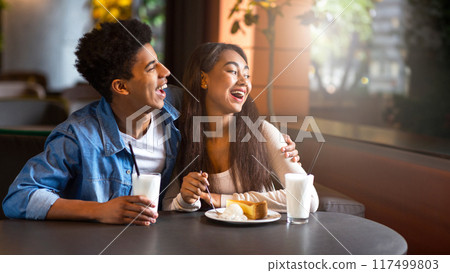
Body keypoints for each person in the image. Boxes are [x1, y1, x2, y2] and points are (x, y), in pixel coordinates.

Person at [2, 20, 298, 225]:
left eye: (160, 61)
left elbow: (224, 107)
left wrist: (275, 139)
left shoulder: (176, 113)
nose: (166, 71)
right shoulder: (79, 135)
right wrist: (100, 211)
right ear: (121, 87)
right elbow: (20, 197)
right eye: (151, 68)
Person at [163, 43, 319, 212]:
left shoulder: (261, 132)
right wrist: (187, 199)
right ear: (203, 79)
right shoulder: (183, 135)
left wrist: (223, 200)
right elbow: (168, 205)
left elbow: (308, 197)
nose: (244, 82)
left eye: (247, 75)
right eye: (233, 71)